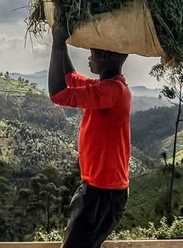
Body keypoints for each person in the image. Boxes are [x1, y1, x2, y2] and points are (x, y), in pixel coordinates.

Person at [48, 25, 132, 248]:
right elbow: (70, 77)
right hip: (98, 189)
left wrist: (56, 44)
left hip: (103, 193)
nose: (89, 58)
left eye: (93, 53)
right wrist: (62, 40)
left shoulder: (111, 92)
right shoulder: (108, 87)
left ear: (104, 56)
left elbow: (58, 94)